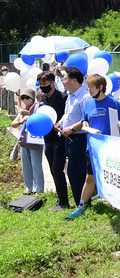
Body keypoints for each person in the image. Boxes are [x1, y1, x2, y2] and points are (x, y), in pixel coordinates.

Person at [65, 74, 120, 219]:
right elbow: (84, 119)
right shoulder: (89, 103)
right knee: (90, 178)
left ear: (100, 87)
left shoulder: (113, 103)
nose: (88, 89)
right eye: (88, 86)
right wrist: (85, 124)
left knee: (113, 178)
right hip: (93, 148)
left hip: (111, 148)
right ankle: (81, 206)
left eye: (91, 87)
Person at [37, 69, 69, 212]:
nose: (42, 86)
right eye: (40, 84)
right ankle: (59, 198)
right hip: (47, 138)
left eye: (45, 83)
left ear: (52, 82)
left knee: (57, 169)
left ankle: (64, 201)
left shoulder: (63, 97)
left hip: (60, 138)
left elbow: (68, 116)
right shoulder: (43, 99)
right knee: (52, 169)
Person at [56, 66, 89, 208]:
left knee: (75, 173)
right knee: (73, 172)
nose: (63, 81)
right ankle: (80, 204)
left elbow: (86, 120)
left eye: (65, 78)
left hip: (79, 139)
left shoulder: (85, 97)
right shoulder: (70, 95)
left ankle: (82, 205)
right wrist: (61, 123)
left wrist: (72, 128)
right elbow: (67, 114)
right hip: (68, 138)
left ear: (74, 80)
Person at [12, 87, 45, 195]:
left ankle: (39, 188)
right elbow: (14, 123)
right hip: (24, 139)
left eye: (28, 97)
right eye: (23, 97)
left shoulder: (38, 107)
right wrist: (21, 120)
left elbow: (36, 116)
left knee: (36, 164)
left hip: (35, 140)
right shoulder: (23, 111)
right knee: (26, 165)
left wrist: (28, 114)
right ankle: (29, 187)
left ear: (33, 98)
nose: (25, 100)